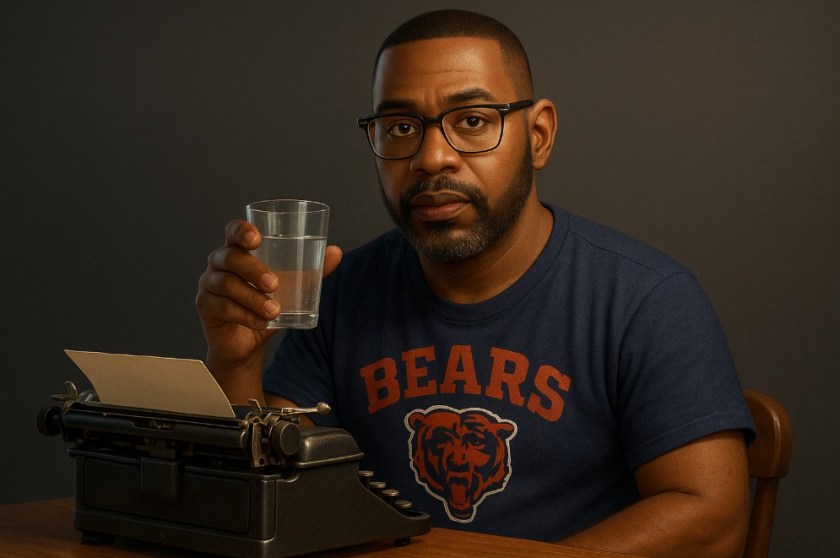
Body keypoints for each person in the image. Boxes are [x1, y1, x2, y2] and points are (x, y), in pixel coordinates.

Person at [196, 9, 755, 558]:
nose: (431, 157)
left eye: (471, 121)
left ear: (537, 135)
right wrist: (235, 359)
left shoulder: (646, 300)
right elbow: (266, 500)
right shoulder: (344, 290)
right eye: (399, 128)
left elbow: (712, 521)